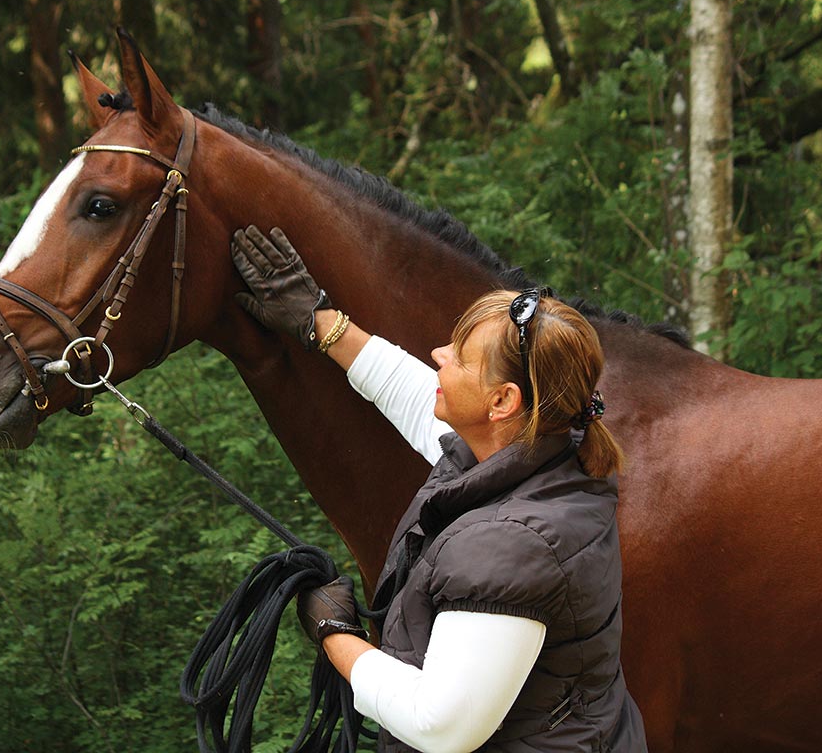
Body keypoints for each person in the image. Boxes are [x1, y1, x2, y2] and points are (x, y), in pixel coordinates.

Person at [232, 225, 647, 753]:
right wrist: (321, 325)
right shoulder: (550, 449)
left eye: (460, 356)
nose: (438, 353)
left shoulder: (514, 548)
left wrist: (337, 635)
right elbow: (411, 392)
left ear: (501, 402)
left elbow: (442, 726)